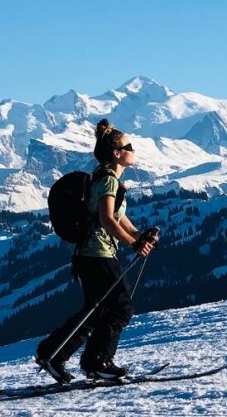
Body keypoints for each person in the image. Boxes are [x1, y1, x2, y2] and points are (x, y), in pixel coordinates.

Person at [36, 118, 157, 383]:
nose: (134, 150)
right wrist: (133, 242)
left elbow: (119, 219)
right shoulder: (108, 181)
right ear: (117, 153)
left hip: (90, 254)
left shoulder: (106, 179)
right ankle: (97, 361)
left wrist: (139, 235)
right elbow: (107, 220)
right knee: (120, 307)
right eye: (130, 146)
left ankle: (52, 353)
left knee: (97, 309)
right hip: (97, 253)